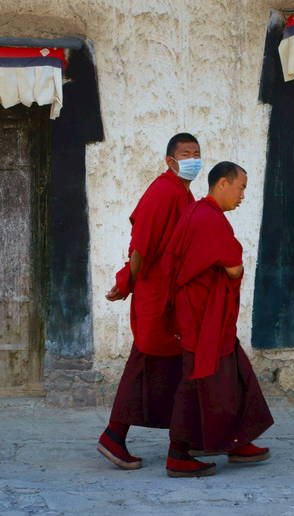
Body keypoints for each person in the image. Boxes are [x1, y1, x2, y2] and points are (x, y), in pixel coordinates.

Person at [96, 133, 203, 471]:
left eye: (197, 153)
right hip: (155, 295)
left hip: (171, 295)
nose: (192, 159)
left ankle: (185, 441)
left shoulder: (183, 192)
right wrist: (126, 282)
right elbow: (141, 247)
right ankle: (115, 435)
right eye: (185, 154)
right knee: (147, 362)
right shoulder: (164, 191)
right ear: (170, 160)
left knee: (170, 367)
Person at [161, 161, 274, 478]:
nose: (242, 196)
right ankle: (178, 454)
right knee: (196, 380)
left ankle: (237, 442)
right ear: (222, 183)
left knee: (236, 374)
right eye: (241, 188)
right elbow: (233, 263)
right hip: (202, 318)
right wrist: (236, 270)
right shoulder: (210, 219)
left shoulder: (196, 212)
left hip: (204, 315)